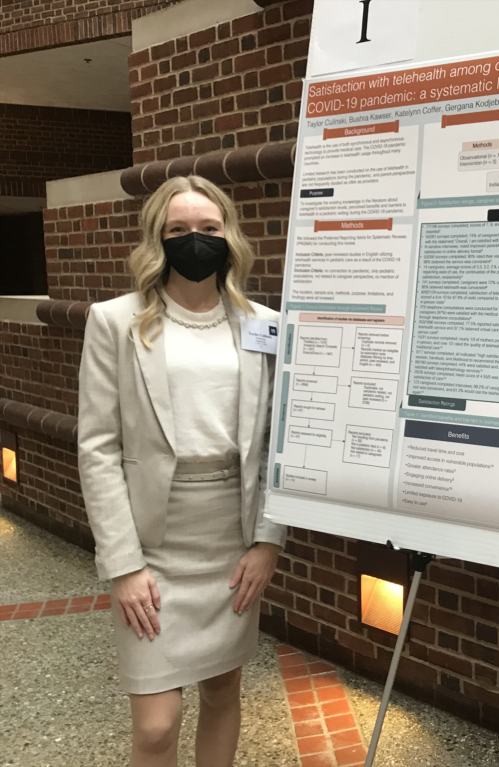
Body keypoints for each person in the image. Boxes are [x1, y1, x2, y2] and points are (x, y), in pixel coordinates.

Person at [77, 175, 287, 767]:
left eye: (208, 229)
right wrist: (123, 566)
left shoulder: (264, 324)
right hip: (154, 542)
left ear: (230, 235)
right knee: (156, 725)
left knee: (223, 692)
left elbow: (277, 442)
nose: (195, 240)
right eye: (178, 230)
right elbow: (97, 447)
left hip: (231, 537)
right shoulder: (115, 322)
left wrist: (268, 541)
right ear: (157, 239)